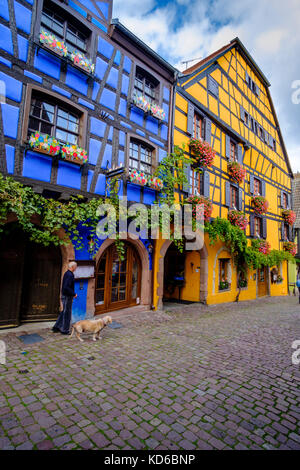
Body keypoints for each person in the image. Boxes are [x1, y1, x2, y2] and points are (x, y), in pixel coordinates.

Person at [52, 261, 78, 335]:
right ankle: (64, 330)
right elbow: (66, 287)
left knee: (64, 312)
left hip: (65, 295)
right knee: (67, 313)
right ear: (72, 267)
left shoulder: (67, 273)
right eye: (76, 267)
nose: (76, 268)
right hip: (67, 296)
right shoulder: (70, 275)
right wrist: (74, 294)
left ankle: (57, 327)